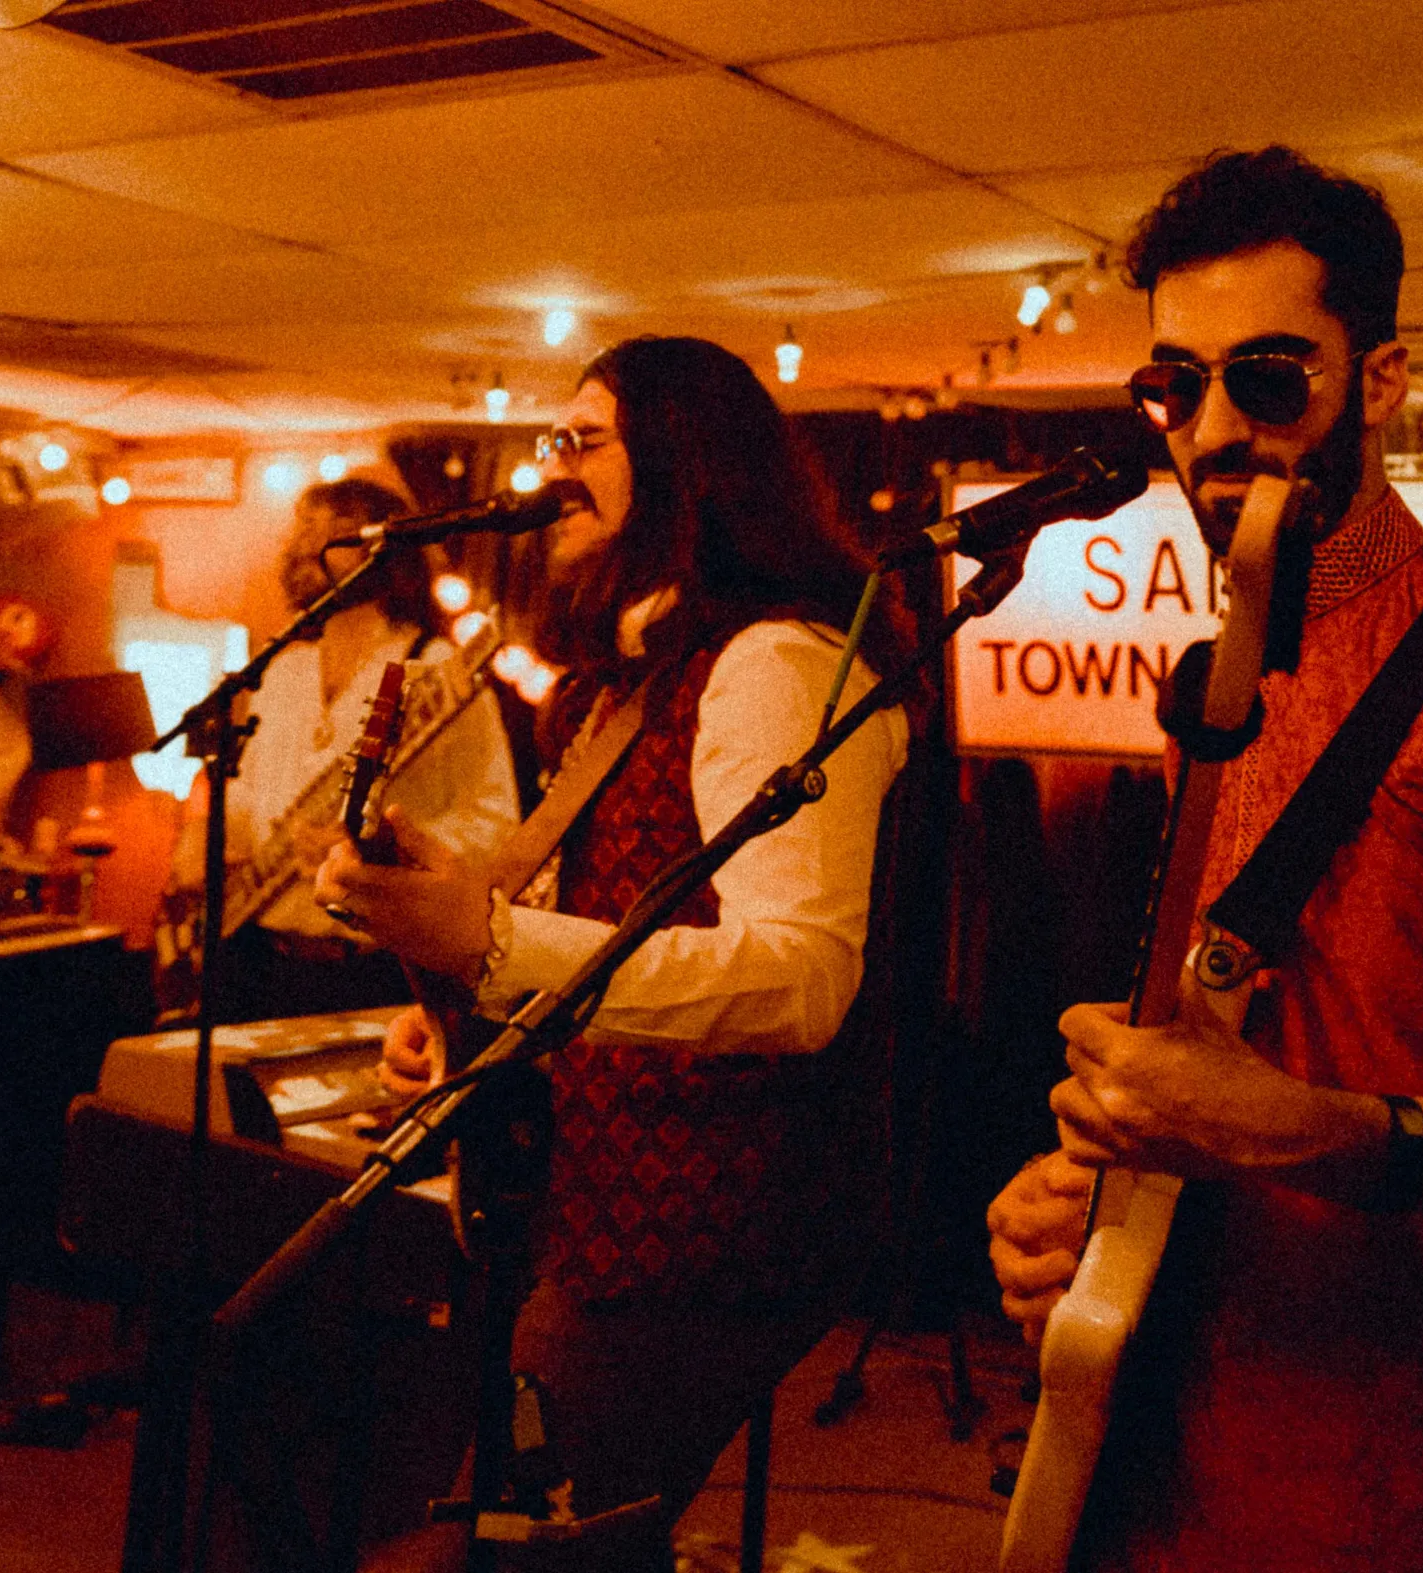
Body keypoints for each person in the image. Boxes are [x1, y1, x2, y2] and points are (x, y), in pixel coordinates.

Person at [984, 147, 1423, 1572]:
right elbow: (1215, 1049)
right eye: (1173, 386)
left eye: (1265, 376)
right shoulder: (1212, 678)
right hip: (1173, 1438)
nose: (1209, 427)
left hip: (1415, 1470)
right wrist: (1079, 1195)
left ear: (1376, 382)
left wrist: (1300, 1127)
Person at [315, 337, 913, 1571]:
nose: (553, 469)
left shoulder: (775, 665)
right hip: (595, 1204)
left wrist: (491, 941)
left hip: (707, 1230)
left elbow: (798, 978)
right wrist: (465, 976)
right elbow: (610, 915)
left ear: (684, 461)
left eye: (581, 440)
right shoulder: (620, 683)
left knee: (505, 1551)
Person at [174, 476, 518, 1023]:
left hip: (374, 969)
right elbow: (254, 799)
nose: (305, 547)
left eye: (330, 531)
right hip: (263, 963)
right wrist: (204, 832)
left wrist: (380, 846)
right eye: (302, 529)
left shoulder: (434, 671)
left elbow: (494, 821)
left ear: (384, 551)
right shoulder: (285, 669)